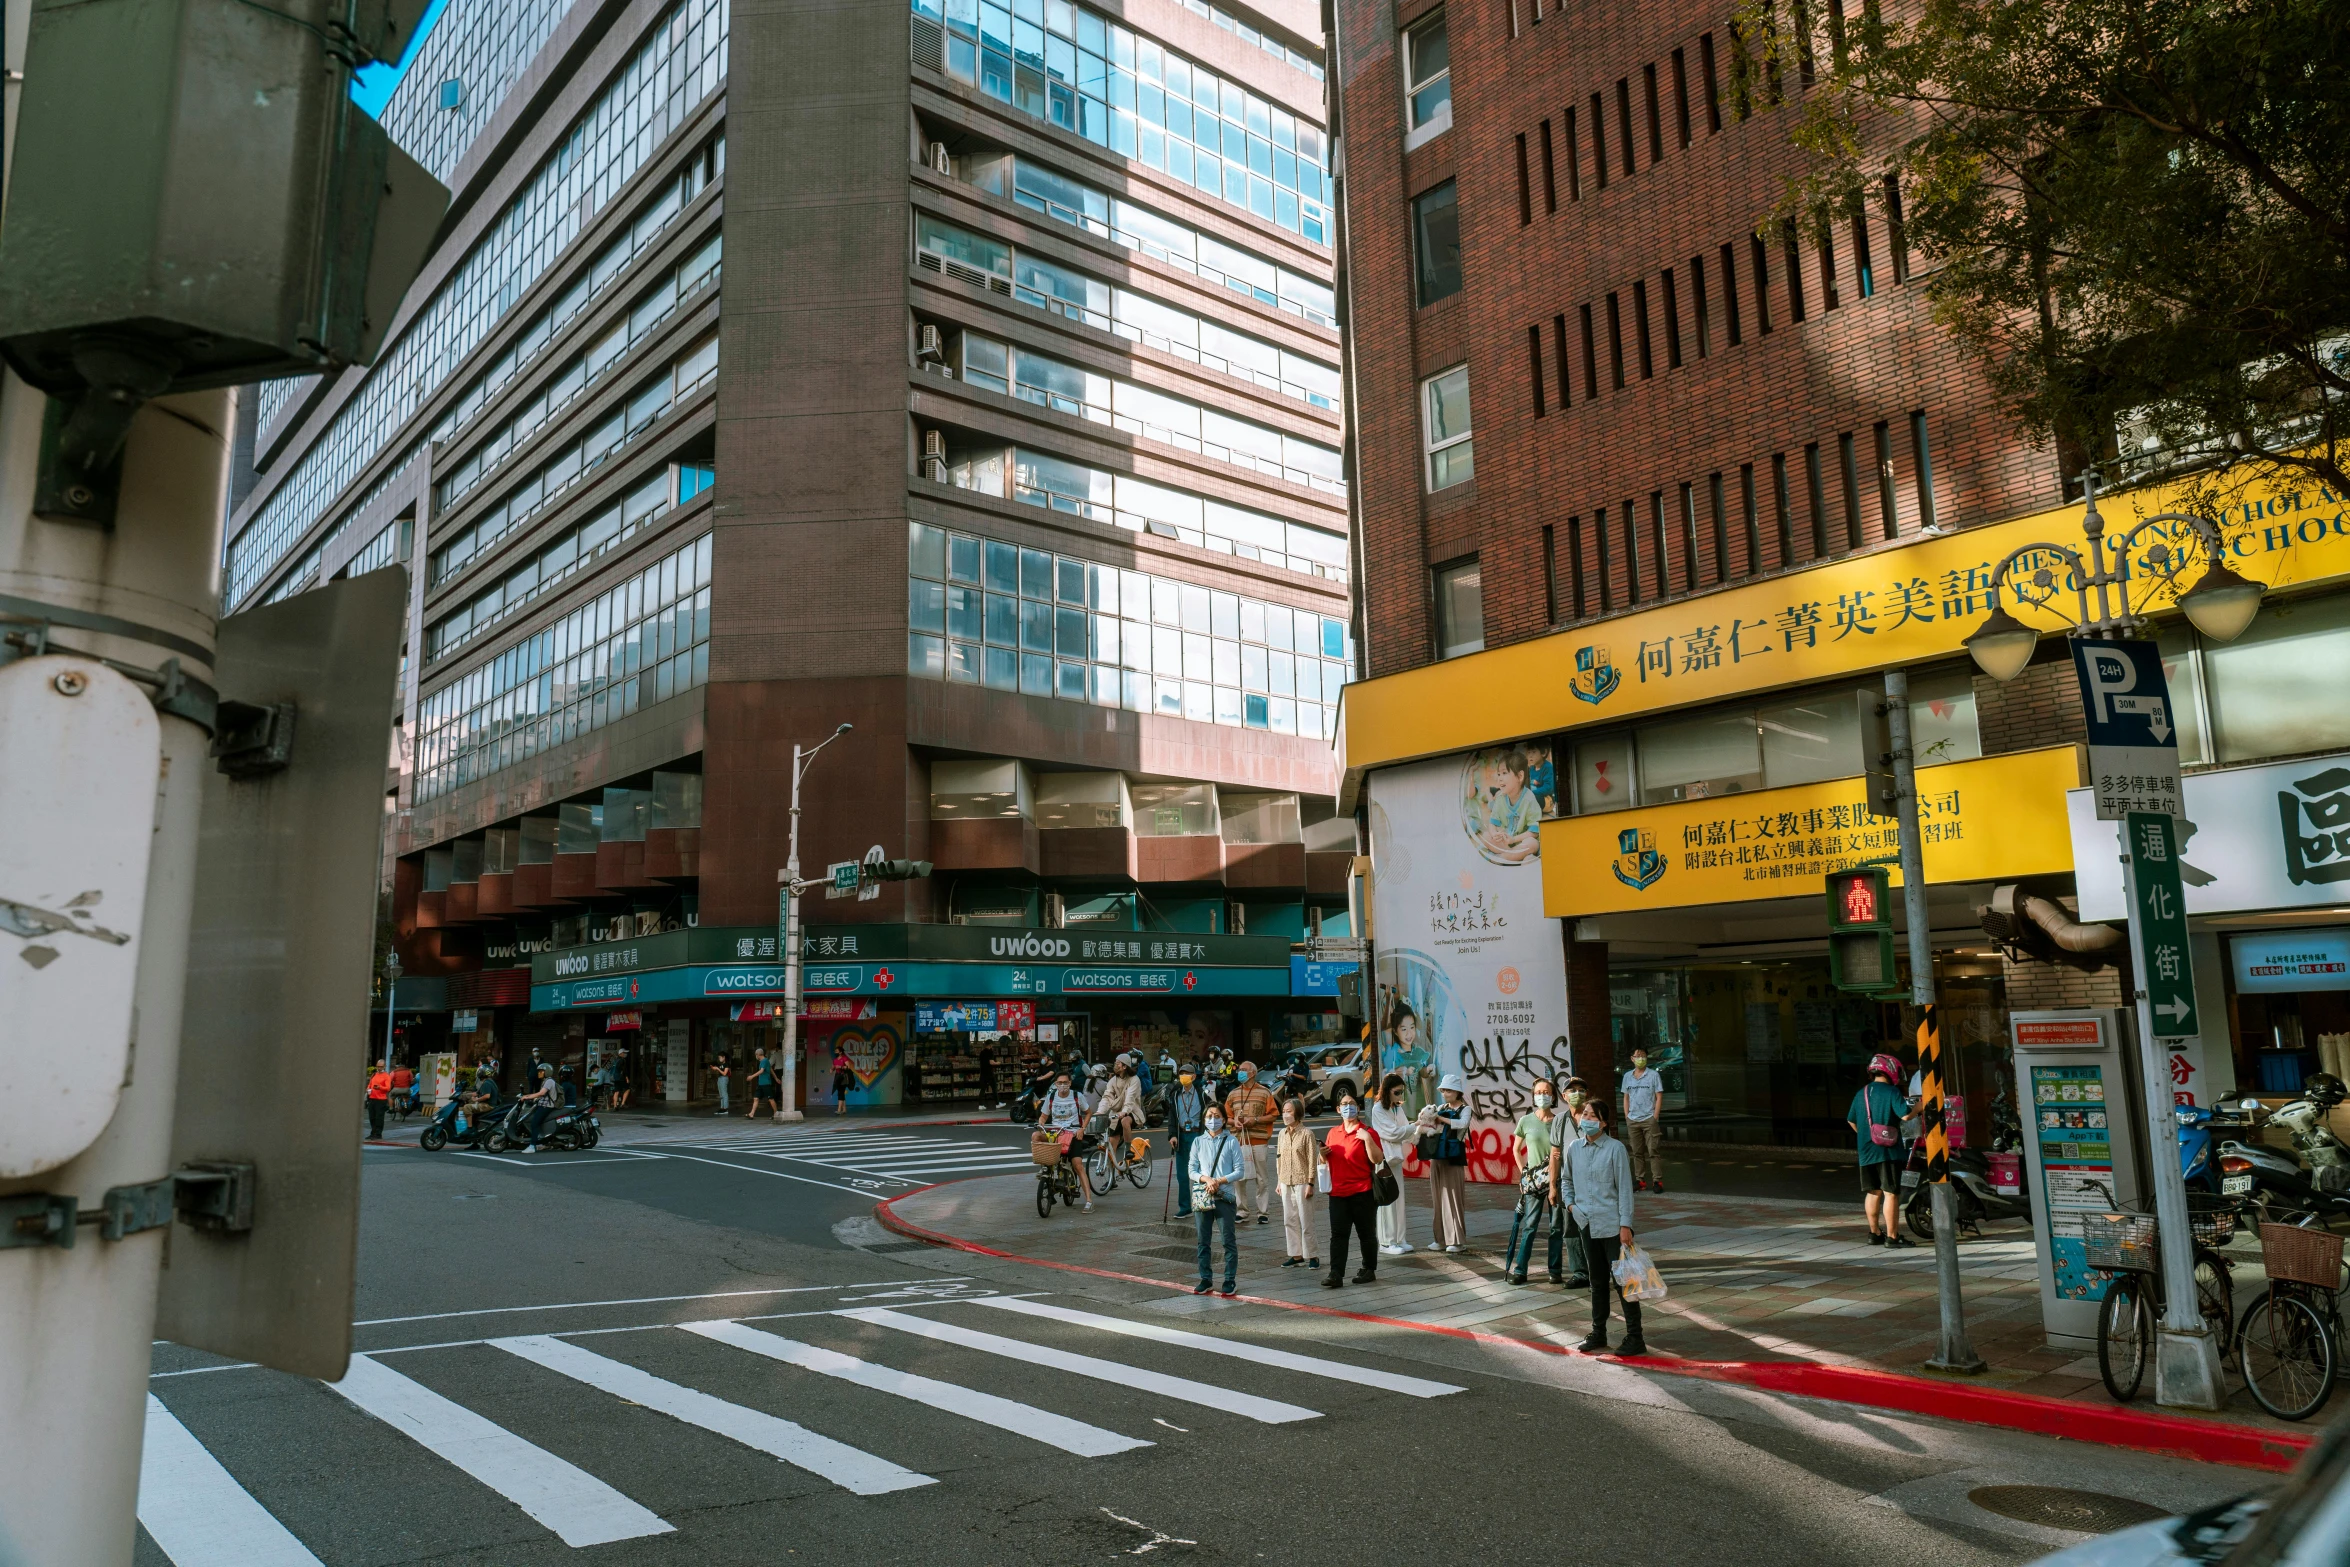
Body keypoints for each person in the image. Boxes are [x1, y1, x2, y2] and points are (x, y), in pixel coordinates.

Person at [1556, 1096, 1645, 1355]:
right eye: (1585, 1114)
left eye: (1592, 1116)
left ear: (1604, 1123)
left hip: (1613, 1226)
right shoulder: (1573, 1148)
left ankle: (1635, 1336)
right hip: (1586, 1223)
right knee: (1596, 1282)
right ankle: (1599, 1333)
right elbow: (1566, 1181)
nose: (1586, 1119)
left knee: (1624, 1282)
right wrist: (1572, 1207)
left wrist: (1625, 1225)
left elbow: (1625, 1191)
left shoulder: (1615, 1149)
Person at [1849, 1053, 1915, 1248]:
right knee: (1891, 1193)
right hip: (1888, 1151)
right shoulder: (1891, 1092)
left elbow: (1851, 1120)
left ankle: (1874, 1233)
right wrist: (1919, 1107)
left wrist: (1866, 1136)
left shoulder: (1861, 1092)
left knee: (1873, 1192)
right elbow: (1905, 1115)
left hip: (1866, 1150)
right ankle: (1893, 1237)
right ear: (1892, 1070)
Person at [1504, 1078, 1563, 1285]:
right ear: (1533, 1095)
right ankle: (1520, 1270)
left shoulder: (1559, 1121)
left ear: (1553, 1096)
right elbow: (1516, 1149)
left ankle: (1555, 1270)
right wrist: (1524, 1173)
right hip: (1534, 1182)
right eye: (1538, 1092)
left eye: (1546, 1092)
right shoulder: (1526, 1121)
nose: (1542, 1095)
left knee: (1556, 1226)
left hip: (1556, 1180)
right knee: (1530, 1225)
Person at [1322, 1092, 1384, 1287]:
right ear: (1338, 1109)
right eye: (1344, 1104)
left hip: (1362, 1191)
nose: (1348, 1107)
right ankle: (1335, 1273)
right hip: (1338, 1193)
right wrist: (1321, 1155)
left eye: (1352, 1104)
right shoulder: (1333, 1133)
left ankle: (1368, 1269)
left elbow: (1377, 1159)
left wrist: (1367, 1139)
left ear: (1358, 1108)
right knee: (1338, 1235)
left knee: (1366, 1233)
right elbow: (1326, 1161)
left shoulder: (1367, 1131)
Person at [1189, 1103, 1245, 1295]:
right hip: (1204, 1195)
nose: (1213, 1119)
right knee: (1202, 1240)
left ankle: (1229, 1279)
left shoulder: (1231, 1141)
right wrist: (1206, 1179)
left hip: (1224, 1196)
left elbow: (1239, 1170)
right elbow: (1192, 1170)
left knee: (1227, 1240)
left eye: (1217, 1115)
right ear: (1204, 1119)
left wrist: (1219, 1181)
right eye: (1209, 1116)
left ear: (1223, 1118)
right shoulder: (1198, 1142)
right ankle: (1206, 1278)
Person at [1221, 1060, 1280, 1227]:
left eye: (1244, 1070)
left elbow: (1274, 1114)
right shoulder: (1232, 1094)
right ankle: (1242, 1211)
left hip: (1259, 1140)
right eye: (1240, 1069)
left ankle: (1263, 1213)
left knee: (1262, 1178)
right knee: (1239, 1177)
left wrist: (1255, 1120)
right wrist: (1234, 1123)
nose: (1240, 1071)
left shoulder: (1265, 1093)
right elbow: (1226, 1117)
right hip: (1238, 1141)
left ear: (1253, 1073)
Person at [1368, 1074, 1418, 1254]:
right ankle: (1386, 1242)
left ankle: (1399, 1237)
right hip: (1383, 1158)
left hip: (1395, 1158)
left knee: (1398, 1197)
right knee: (1386, 1198)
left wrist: (1417, 1132)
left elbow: (1405, 1130)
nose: (1399, 1097)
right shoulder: (1378, 1109)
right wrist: (1415, 1127)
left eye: (1401, 1093)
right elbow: (1393, 1133)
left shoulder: (1396, 1109)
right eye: (1396, 1092)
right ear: (1387, 1090)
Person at [1275, 1096, 1323, 1270]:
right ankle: (1296, 1255)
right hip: (1286, 1181)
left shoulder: (1307, 1134)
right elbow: (1278, 1158)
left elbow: (1312, 1160)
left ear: (1298, 1113)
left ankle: (1312, 1255)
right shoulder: (1281, 1134)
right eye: (1284, 1112)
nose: (1285, 1115)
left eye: (1289, 1112)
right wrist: (1280, 1180)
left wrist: (1311, 1183)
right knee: (1289, 1219)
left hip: (1302, 1180)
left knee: (1306, 1219)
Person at [1036, 1070, 1094, 1212]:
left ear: (1070, 1083)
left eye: (1065, 1083)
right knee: (1035, 1136)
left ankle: (1089, 1201)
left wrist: (1082, 1129)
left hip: (1073, 1135)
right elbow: (1043, 1116)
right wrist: (1041, 1125)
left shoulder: (1077, 1096)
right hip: (1055, 1134)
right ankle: (1044, 1168)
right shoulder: (1051, 1097)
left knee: (1078, 1165)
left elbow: (1088, 1113)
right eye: (1060, 1083)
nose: (1062, 1085)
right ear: (1055, 1084)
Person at [1427, 1074, 1472, 1252]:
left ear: (1457, 1092)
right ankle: (1440, 1239)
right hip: (1438, 1155)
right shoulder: (1441, 1107)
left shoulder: (1465, 1109)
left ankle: (1456, 1240)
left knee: (1453, 1197)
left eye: (1448, 1090)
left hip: (1453, 1157)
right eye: (1443, 1090)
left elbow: (1462, 1124)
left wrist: (1441, 1119)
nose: (1445, 1093)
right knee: (1437, 1198)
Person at [1622, 1049, 1666, 1192]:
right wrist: (1626, 1115)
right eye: (1638, 1056)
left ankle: (1657, 1181)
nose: (1641, 1059)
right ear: (1632, 1058)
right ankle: (1640, 1180)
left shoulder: (1653, 1075)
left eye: (1643, 1056)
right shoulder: (1627, 1076)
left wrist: (1655, 1116)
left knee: (1653, 1150)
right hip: (1633, 1119)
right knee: (1636, 1152)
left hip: (1649, 1118)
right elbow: (1626, 1097)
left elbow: (1659, 1096)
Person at [1097, 1057, 1147, 1177]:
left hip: (1132, 1112)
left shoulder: (1134, 1080)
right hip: (1116, 1114)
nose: (1115, 1065)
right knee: (1111, 1144)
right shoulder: (1113, 1080)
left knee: (1125, 1121)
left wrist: (1124, 1112)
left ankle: (1129, 1151)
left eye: (1117, 1063)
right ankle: (1111, 1180)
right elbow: (1107, 1097)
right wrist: (1099, 1112)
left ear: (1124, 1066)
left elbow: (1130, 1099)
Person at [1169, 1068, 1206, 1218]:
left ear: (1194, 1076)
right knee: (1182, 1175)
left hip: (1198, 1134)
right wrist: (1172, 1135)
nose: (1183, 1076)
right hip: (1181, 1135)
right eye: (1181, 1074)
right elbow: (1172, 1117)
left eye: (1187, 1074)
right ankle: (1185, 1207)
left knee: (1201, 1171)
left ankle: (1202, 1203)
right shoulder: (1176, 1094)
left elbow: (1210, 1112)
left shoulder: (1202, 1094)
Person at [517, 1065, 564, 1153]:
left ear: (547, 1072)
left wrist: (527, 1097)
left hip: (546, 1107)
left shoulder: (549, 1081)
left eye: (541, 1071)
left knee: (534, 1123)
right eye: (539, 1071)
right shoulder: (545, 1081)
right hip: (541, 1105)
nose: (539, 1073)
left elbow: (541, 1093)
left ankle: (532, 1146)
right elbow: (541, 1095)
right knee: (529, 1119)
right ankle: (539, 1141)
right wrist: (529, 1097)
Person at [365, 1059, 394, 1140]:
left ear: (384, 1066)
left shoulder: (386, 1076)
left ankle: (378, 1133)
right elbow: (370, 1085)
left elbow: (388, 1088)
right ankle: (373, 1132)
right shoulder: (374, 1074)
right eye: (378, 1066)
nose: (379, 1068)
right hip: (372, 1098)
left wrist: (380, 1087)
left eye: (381, 1066)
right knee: (372, 1117)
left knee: (379, 1117)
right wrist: (367, 1090)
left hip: (381, 1100)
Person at [832, 1048, 855, 1114]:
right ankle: (844, 1109)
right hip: (838, 1077)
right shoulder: (835, 1060)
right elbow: (833, 1067)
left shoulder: (844, 1058)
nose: (835, 1052)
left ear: (840, 1052)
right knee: (840, 1092)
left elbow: (848, 1067)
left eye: (836, 1051)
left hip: (843, 1077)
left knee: (840, 1092)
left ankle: (839, 1110)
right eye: (835, 1051)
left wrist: (840, 1067)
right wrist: (831, 1069)